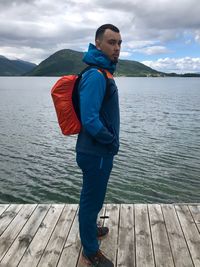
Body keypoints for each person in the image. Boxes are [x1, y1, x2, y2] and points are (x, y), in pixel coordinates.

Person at [76, 24, 122, 267]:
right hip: (96, 152)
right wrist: (110, 140)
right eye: (111, 42)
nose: (116, 48)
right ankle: (90, 251)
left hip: (97, 151)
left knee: (92, 196)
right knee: (91, 199)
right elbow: (90, 119)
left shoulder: (102, 72)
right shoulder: (96, 75)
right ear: (98, 45)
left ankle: (90, 229)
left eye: (119, 43)